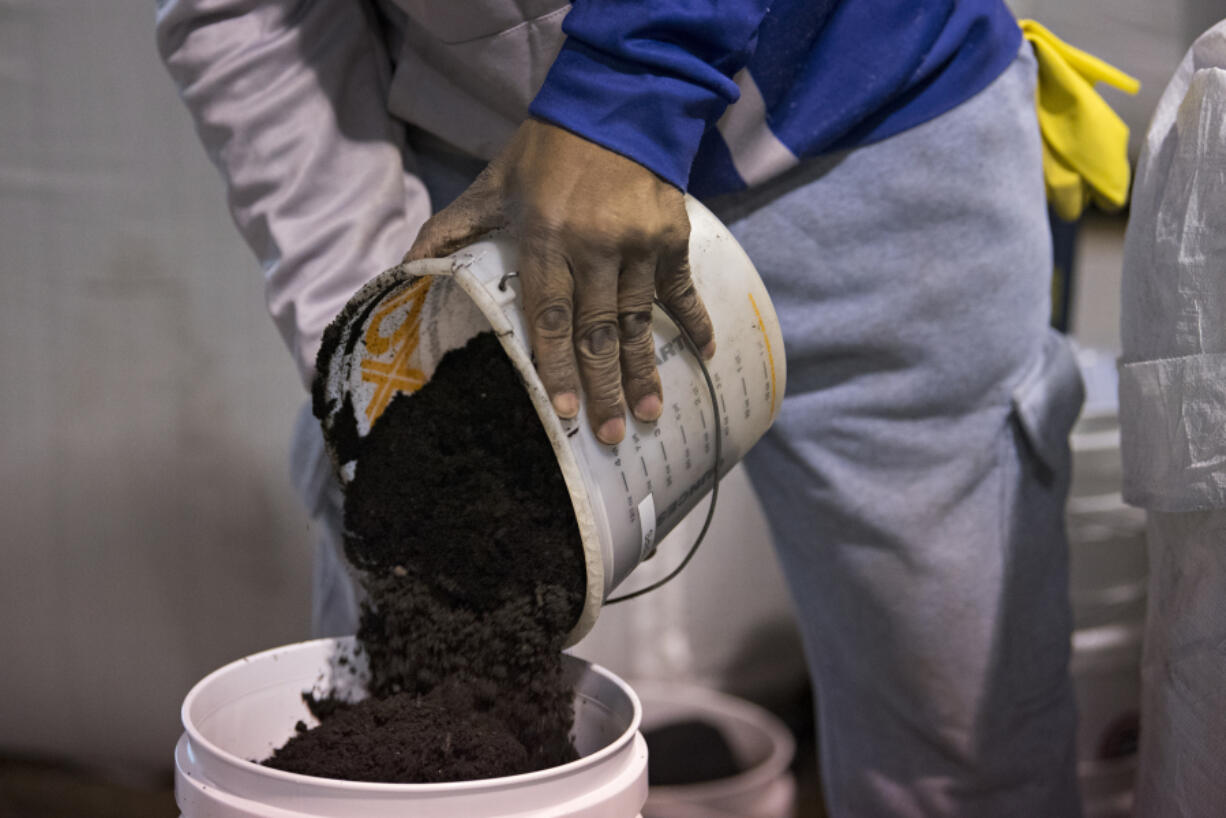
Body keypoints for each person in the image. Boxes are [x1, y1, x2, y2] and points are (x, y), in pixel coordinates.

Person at [156, 2, 1088, 813]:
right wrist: (382, 333)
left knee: (958, 739)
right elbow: (249, 15)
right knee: (408, 677)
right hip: (499, 188)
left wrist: (627, 89)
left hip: (864, 134)